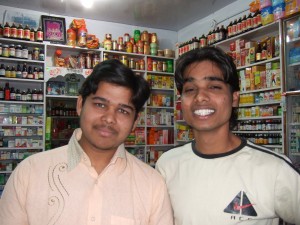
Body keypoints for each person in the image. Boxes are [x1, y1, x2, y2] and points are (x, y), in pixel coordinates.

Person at [0, 59, 174, 225]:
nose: (109, 118)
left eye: (123, 110)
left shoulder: (152, 186)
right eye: (100, 105)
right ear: (80, 104)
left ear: (135, 122)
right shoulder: (30, 173)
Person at [156, 46, 300, 225]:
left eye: (214, 87)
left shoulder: (274, 169)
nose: (200, 97)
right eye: (190, 89)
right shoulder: (167, 165)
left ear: (234, 98)